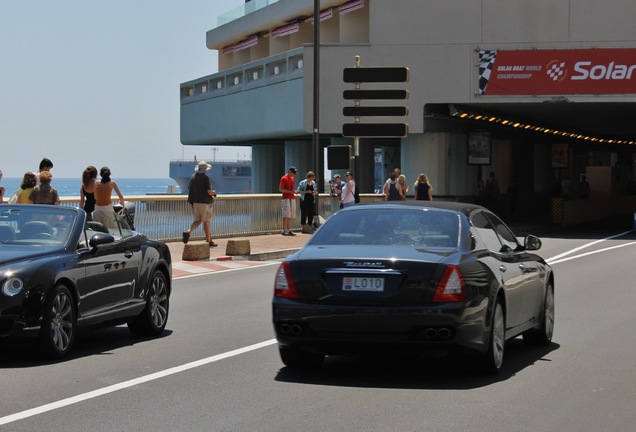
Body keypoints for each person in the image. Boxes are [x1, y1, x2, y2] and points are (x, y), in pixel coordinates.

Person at [182, 161, 217, 247]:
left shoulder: (193, 177)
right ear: (205, 170)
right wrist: (214, 193)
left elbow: (190, 191)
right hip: (204, 203)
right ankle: (209, 241)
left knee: (197, 220)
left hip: (195, 202)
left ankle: (188, 231)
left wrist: (191, 202)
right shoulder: (206, 178)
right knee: (206, 220)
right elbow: (209, 192)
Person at [279, 166, 299, 236]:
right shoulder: (284, 178)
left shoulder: (292, 178)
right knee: (286, 214)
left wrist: (293, 192)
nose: (294, 175)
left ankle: (288, 229)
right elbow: (281, 189)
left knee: (291, 214)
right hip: (286, 198)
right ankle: (284, 229)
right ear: (289, 172)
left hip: (292, 197)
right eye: (293, 173)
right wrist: (290, 192)